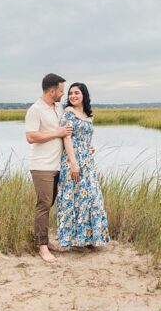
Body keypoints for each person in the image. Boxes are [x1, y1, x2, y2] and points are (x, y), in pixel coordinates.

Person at [25, 73, 73, 263]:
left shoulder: (58, 108)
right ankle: (42, 247)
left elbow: (66, 134)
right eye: (61, 90)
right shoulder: (35, 110)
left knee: (50, 203)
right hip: (42, 166)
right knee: (43, 205)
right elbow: (31, 137)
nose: (63, 94)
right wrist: (57, 133)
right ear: (52, 91)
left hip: (58, 165)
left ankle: (45, 240)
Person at [56, 82, 110, 250]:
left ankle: (89, 238)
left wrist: (89, 148)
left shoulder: (87, 115)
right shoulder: (68, 113)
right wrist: (73, 163)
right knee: (73, 198)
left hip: (87, 161)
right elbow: (66, 138)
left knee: (91, 197)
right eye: (70, 93)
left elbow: (85, 137)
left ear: (84, 95)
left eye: (77, 93)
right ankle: (73, 241)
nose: (73, 96)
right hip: (72, 160)